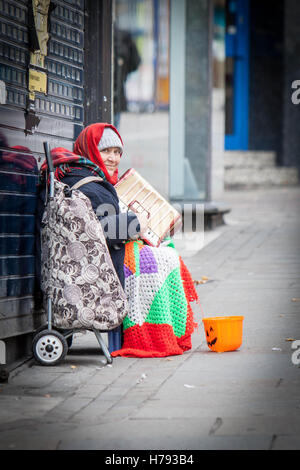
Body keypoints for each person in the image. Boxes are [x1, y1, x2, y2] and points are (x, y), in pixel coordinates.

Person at [38, 123, 198, 357]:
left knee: (167, 251)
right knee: (162, 258)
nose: (113, 158)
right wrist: (137, 224)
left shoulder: (90, 177)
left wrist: (160, 226)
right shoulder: (84, 183)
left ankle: (164, 330)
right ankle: (152, 331)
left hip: (103, 257)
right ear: (90, 149)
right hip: (99, 266)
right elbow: (94, 229)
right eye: (106, 151)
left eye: (117, 152)